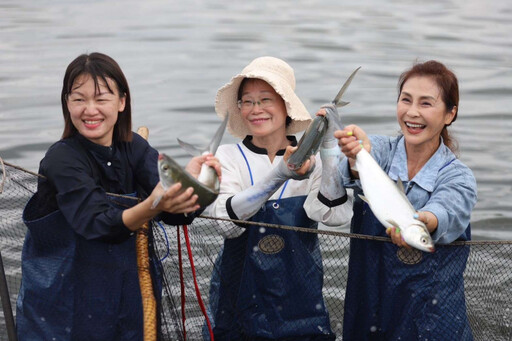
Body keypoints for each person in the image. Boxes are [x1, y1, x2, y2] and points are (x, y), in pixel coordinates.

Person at [15, 52, 221, 341]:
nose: (90, 110)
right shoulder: (61, 158)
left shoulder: (135, 148)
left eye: (101, 99)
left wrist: (192, 185)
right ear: (66, 103)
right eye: (79, 99)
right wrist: (152, 205)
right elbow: (99, 223)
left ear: (122, 102)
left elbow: (177, 215)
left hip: (128, 293)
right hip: (65, 298)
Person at [205, 56, 353, 340]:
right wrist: (280, 174)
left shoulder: (313, 159)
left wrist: (329, 148)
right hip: (238, 291)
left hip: (300, 293)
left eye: (265, 100)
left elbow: (335, 216)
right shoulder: (228, 156)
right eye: (247, 101)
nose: (255, 110)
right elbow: (226, 224)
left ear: (287, 107)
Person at [336, 60, 477, 340]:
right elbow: (345, 176)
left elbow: (447, 209)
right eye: (406, 100)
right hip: (370, 305)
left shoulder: (459, 177)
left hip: (433, 317)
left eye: (426, 103)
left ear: (450, 114)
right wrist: (355, 157)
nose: (412, 113)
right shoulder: (378, 151)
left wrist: (425, 222)